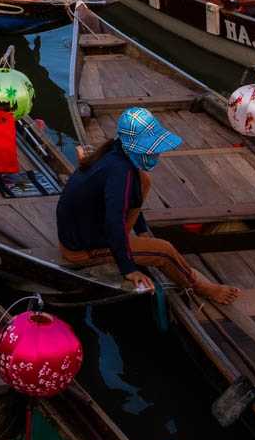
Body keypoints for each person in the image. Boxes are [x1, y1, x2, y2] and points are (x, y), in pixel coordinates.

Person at [54, 107, 243, 301]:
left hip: (86, 229)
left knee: (144, 180)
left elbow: (128, 199)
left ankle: (140, 239)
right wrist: (128, 269)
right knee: (165, 251)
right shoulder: (120, 172)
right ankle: (202, 287)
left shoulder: (115, 152)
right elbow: (114, 220)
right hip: (81, 249)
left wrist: (142, 230)